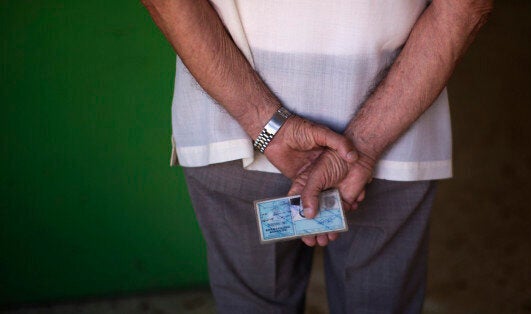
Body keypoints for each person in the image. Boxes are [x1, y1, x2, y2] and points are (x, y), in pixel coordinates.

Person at [142, 0, 492, 312]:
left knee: (253, 302)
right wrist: (362, 148)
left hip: (233, 132)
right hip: (393, 137)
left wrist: (266, 125)